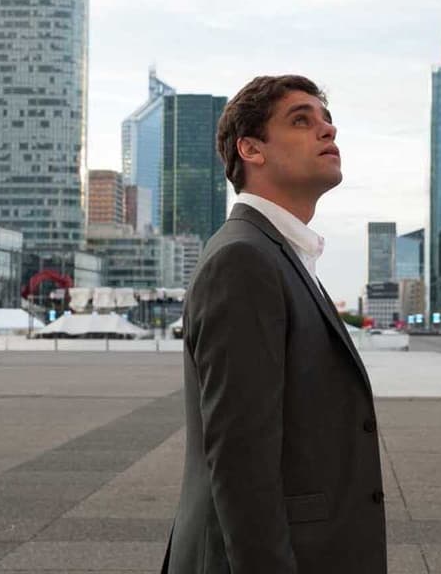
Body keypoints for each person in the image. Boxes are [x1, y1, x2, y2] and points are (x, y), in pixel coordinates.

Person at [161, 75, 386, 573]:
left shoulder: (278, 254)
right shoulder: (244, 259)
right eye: (301, 121)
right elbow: (241, 463)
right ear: (251, 149)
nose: (327, 130)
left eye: (327, 120)